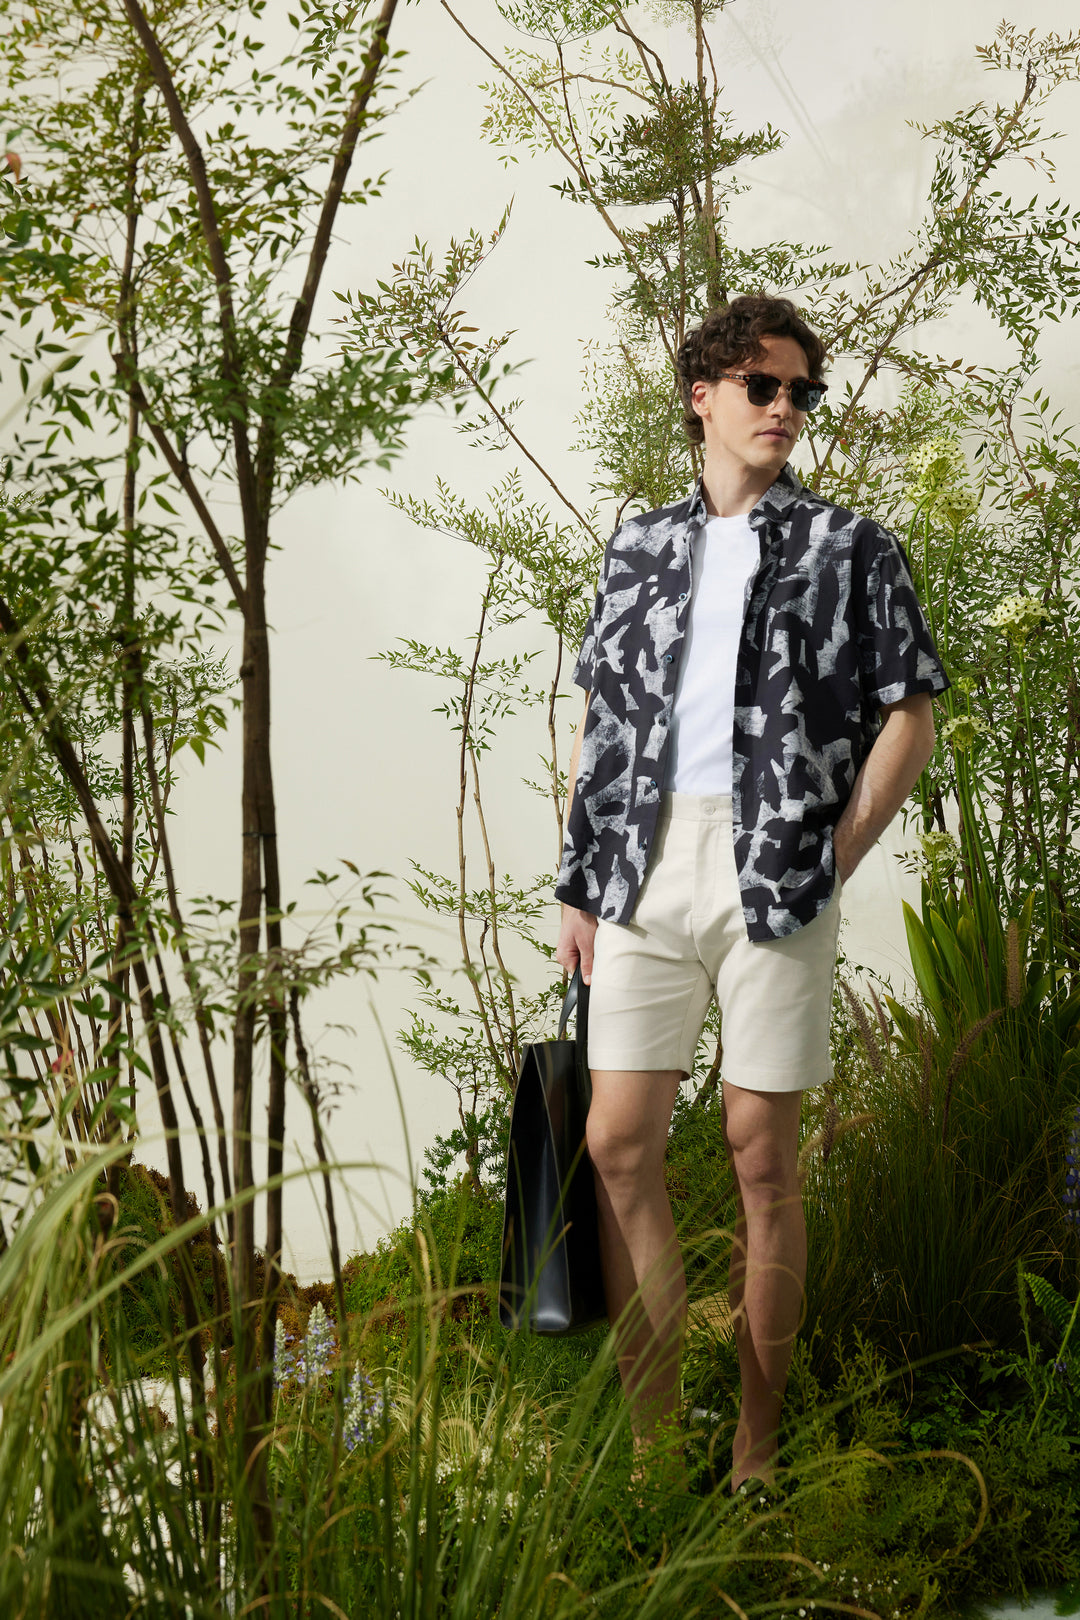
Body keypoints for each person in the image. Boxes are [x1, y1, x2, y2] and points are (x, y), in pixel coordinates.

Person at [554, 294, 949, 1492]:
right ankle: (654, 1449)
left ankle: (755, 1454)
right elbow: (604, 720)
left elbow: (911, 713)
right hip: (640, 864)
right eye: (762, 387)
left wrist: (839, 852)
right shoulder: (638, 545)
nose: (785, 409)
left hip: (775, 868)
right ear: (703, 396)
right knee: (618, 1144)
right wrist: (578, 882)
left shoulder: (851, 546)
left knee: (761, 1156)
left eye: (800, 393)